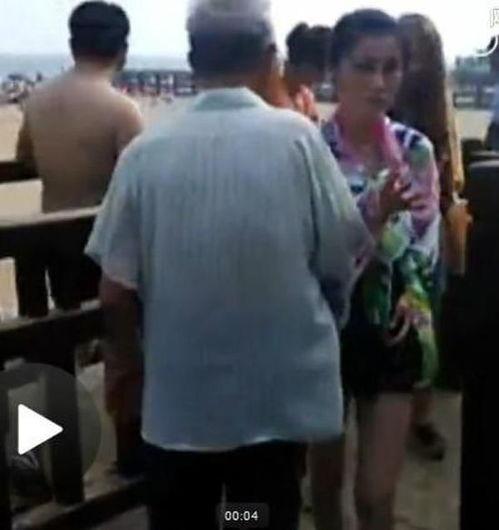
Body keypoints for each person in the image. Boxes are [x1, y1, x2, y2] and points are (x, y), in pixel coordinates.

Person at [85, 0, 379, 528]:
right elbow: (340, 257)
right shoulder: (297, 140)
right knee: (252, 515)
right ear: (269, 59)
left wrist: (130, 371)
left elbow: (115, 291)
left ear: (192, 61)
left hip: (178, 407)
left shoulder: (145, 154)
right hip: (274, 403)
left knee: (183, 518)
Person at [311, 10, 441, 530]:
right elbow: (315, 254)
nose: (380, 82)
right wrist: (374, 213)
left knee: (375, 496)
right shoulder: (311, 151)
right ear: (334, 71)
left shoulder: (414, 149)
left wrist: (417, 292)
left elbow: (424, 241)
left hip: (393, 326)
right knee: (324, 490)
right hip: (323, 330)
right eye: (365, 67)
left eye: (392, 67)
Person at [15, 1, 143, 312]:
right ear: (122, 50)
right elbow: (141, 186)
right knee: (100, 321)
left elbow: (25, 158)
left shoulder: (37, 99)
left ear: (73, 46)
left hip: (51, 239)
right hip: (100, 246)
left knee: (66, 313)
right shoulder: (123, 111)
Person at [392, 13, 469, 461]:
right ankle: (408, 415)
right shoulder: (395, 98)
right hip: (395, 222)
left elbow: (450, 169)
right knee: (409, 321)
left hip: (426, 227)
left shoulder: (437, 104)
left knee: (423, 324)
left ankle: (417, 417)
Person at [264, 23, 330, 121]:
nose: (323, 78)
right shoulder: (267, 95)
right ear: (305, 64)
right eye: (320, 69)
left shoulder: (306, 97)